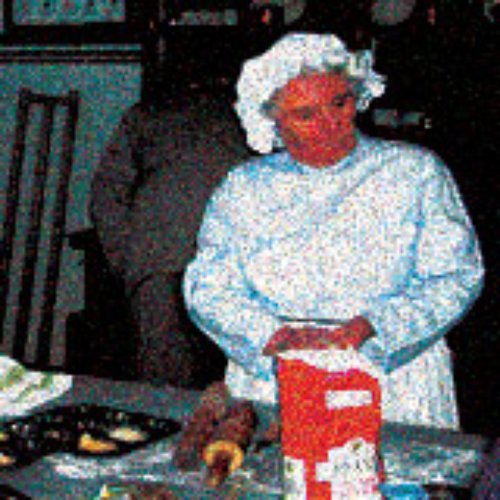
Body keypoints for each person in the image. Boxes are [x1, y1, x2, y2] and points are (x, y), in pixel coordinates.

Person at [182, 32, 484, 428]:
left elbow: (455, 276)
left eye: (339, 103)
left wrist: (375, 328)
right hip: (277, 378)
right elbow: (208, 288)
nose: (331, 124)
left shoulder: (414, 172)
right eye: (306, 115)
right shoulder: (244, 188)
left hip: (393, 382)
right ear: (272, 120)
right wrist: (271, 336)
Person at [89, 73, 251, 389]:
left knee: (166, 380)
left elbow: (106, 194)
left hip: (166, 261)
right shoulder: (250, 117)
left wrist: (127, 259)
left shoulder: (145, 114)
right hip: (193, 263)